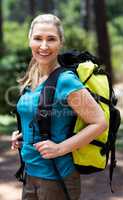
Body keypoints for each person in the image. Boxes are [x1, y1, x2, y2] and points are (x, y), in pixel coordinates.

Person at [11, 14, 107, 200]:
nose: (44, 46)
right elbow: (39, 114)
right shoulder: (33, 75)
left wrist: (60, 148)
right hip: (30, 174)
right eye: (38, 38)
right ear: (29, 40)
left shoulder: (66, 81)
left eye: (51, 39)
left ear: (60, 43)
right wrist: (23, 134)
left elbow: (99, 122)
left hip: (57, 178)